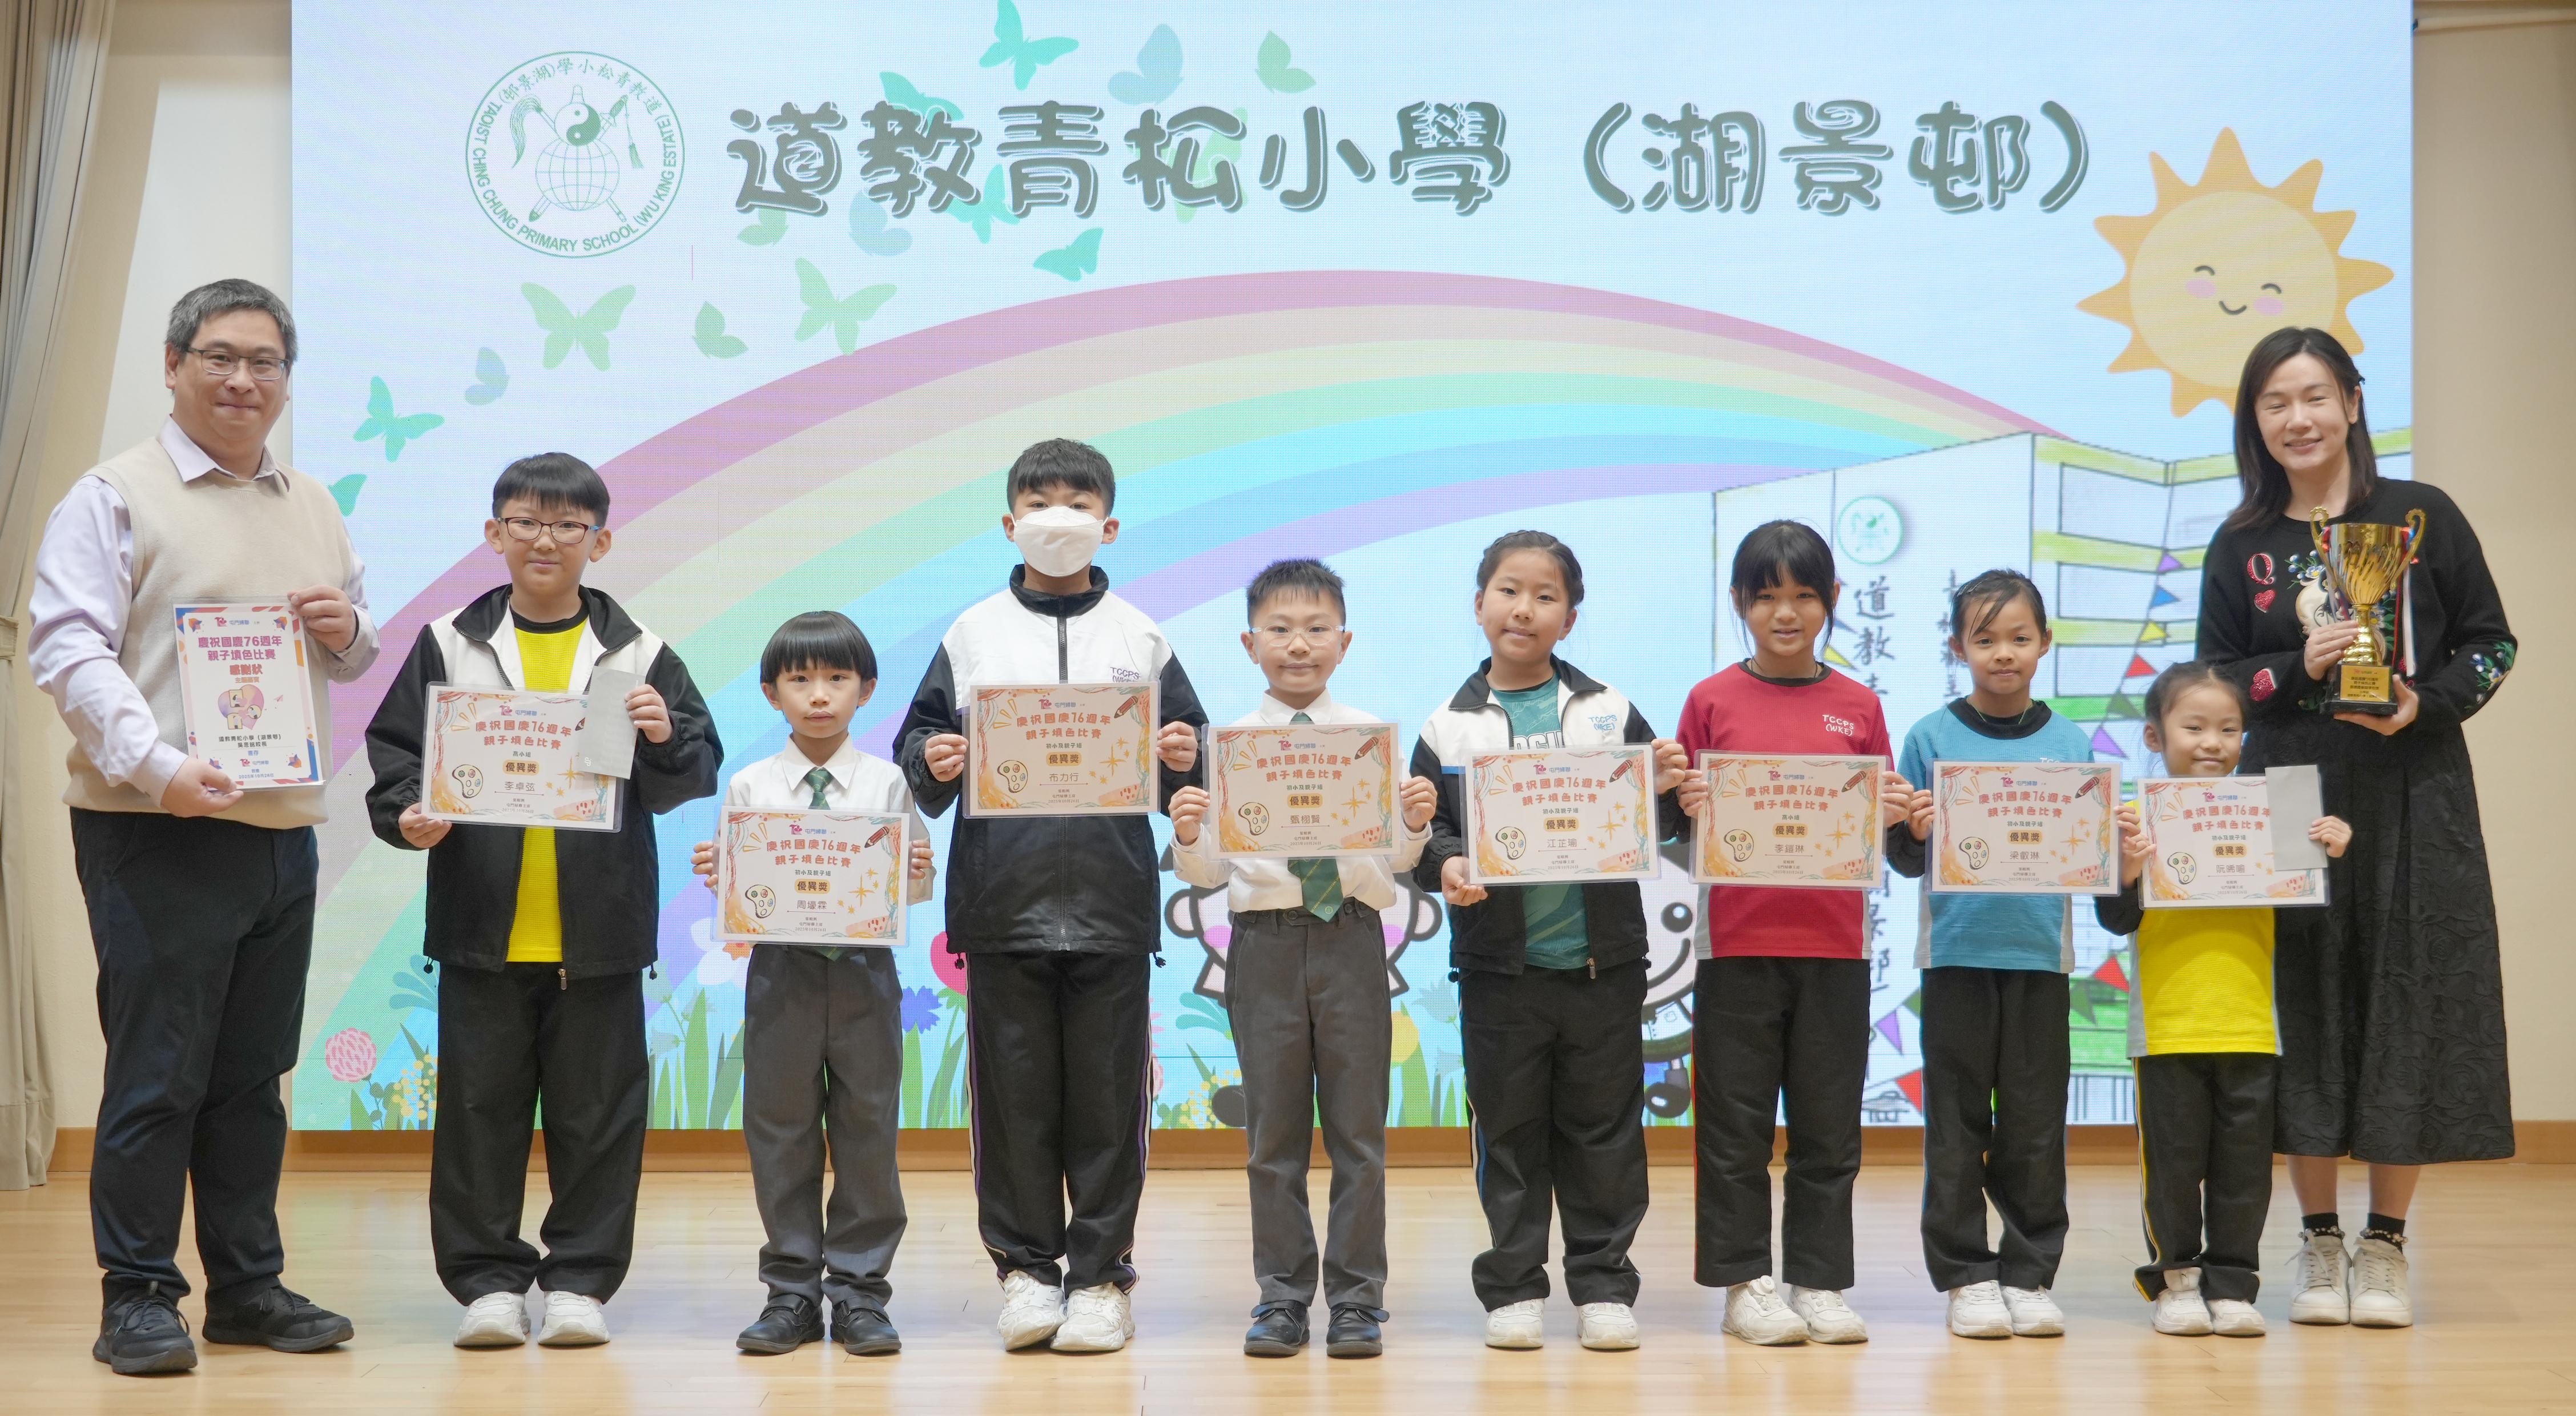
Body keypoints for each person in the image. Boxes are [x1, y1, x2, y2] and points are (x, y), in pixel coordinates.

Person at [29, 279, 368, 1374]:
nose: (242, 379)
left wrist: (348, 629)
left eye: (265, 362)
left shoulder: (310, 500)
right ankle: (137, 1296)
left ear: (286, 381)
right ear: (173, 366)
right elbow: (67, 648)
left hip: (280, 830)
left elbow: (351, 653)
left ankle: (248, 1289)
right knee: (158, 1074)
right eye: (219, 356)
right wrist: (158, 766)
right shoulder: (112, 495)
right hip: (156, 827)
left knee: (251, 1078)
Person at [2195, 326, 2515, 1328]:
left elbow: (2492, 644)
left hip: (2414, 784)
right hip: (2290, 786)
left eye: (2314, 397)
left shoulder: (2422, 516)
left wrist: (2423, 704)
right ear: (2255, 421)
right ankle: (2318, 1240)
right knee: (2301, 1000)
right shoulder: (2241, 544)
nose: (2298, 419)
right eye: (2275, 403)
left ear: (2352, 404)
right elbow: (2213, 682)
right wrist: (2298, 667)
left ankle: (2386, 1246)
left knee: (2403, 995)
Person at [364, 453, 721, 1349]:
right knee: (477, 1116)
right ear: (495, 534)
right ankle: (486, 1285)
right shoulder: (449, 642)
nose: (546, 541)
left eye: (568, 526)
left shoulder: (639, 652)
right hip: (481, 929)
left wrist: (663, 734)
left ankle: (578, 1285)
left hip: (599, 936)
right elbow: (398, 754)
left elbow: (692, 771)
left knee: (598, 1119)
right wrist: (407, 813)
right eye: (526, 522)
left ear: (602, 541)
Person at [893, 439, 1208, 1354]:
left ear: (1110, 525)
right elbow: (919, 748)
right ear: (1009, 523)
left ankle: (1102, 1281)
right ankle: (1027, 1275)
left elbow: (1191, 767)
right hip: (1002, 905)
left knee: (1109, 1106)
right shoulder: (972, 633)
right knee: (1014, 1106)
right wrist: (934, 759)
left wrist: (1182, 757)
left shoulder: (1142, 636)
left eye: (1078, 502)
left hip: (1112, 906)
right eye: (1039, 502)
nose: (1057, 517)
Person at [1410, 530, 1691, 1353]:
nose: (1523, 608)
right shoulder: (1448, 725)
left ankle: (1603, 1284)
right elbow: (1427, 836)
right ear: (1479, 605)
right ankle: (1514, 1286)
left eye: (1545, 595)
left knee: (1606, 1131)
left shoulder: (1609, 711)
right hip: (1500, 969)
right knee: (1509, 1131)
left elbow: (1659, 823)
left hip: (1604, 965)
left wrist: (1670, 787)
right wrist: (1446, 861)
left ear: (1570, 616)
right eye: (1508, 590)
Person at [1166, 558, 1439, 1359]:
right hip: (1267, 944)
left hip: (1352, 936)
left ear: (1344, 642)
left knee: (1360, 1134)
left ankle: (1357, 1299)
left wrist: (1414, 821)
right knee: (1272, 1137)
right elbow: (1207, 873)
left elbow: (1398, 859)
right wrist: (1189, 832)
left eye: (1317, 629)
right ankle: (1282, 1296)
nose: (1298, 644)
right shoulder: (1229, 747)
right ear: (1249, 643)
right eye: (1280, 629)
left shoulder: (1368, 740)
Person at [1675, 521, 1910, 1346]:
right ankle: (1745, 1284)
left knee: (1828, 1127)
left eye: (1804, 595)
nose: (1786, 612)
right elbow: (1678, 825)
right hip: (1736, 944)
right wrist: (1681, 803)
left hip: (1835, 946)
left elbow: (1881, 826)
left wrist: (1893, 811)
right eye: (1767, 595)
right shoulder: (1710, 700)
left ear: (1833, 599)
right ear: (1739, 601)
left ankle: (1818, 1280)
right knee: (1733, 1130)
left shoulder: (1860, 706)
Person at [688, 612, 935, 1356]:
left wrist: (918, 871)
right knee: (780, 1130)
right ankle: (791, 1292)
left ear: (866, 689)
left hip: (865, 972)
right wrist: (721, 878)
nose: (819, 694)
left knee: (868, 1129)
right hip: (781, 973)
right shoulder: (751, 783)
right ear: (772, 693)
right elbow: (743, 900)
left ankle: (859, 1292)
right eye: (800, 680)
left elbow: (912, 892)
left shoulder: (887, 780)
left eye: (836, 678)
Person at [2096, 661, 2352, 1338]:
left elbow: (2300, 923)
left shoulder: (2274, 814)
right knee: (2173, 1168)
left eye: (2230, 728)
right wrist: (2127, 870)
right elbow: (2115, 919)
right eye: (2194, 726)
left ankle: (2234, 1284)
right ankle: (2176, 1280)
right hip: (2168, 1027)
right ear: (2155, 736)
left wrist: (2324, 858)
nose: (2212, 741)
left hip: (2250, 1023)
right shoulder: (2133, 820)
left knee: (2244, 1171)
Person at [1889, 569, 2092, 1340]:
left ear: (2045, 643)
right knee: (1956, 1124)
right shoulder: (1928, 738)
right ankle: (1967, 1276)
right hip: (1956, 959)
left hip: (2040, 959)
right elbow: (1904, 858)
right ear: (1957, 647)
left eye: (2019, 637)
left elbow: (2089, 854)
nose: (2003, 653)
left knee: (2035, 1125)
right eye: (1985, 639)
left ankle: (2029, 1273)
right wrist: (1913, 830)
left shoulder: (2072, 743)